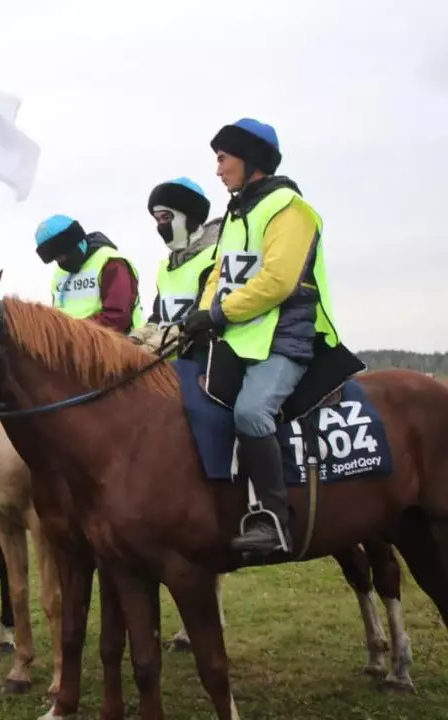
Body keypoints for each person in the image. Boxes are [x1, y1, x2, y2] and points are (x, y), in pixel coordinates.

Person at [183, 117, 344, 557]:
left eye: (222, 159)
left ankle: (275, 520)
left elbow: (278, 282)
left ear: (249, 159)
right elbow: (220, 272)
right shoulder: (238, 212)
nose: (217, 170)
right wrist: (201, 313)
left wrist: (216, 313)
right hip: (237, 340)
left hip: (285, 341)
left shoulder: (290, 208)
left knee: (252, 414)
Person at [131, 178, 221, 353]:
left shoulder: (216, 255)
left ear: (190, 216)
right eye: (157, 220)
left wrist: (146, 352)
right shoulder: (166, 265)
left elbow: (196, 320)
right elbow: (159, 317)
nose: (161, 226)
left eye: (166, 217)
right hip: (164, 361)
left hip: (198, 357)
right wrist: (135, 339)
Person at [34, 215, 145, 334]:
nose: (60, 261)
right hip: (75, 345)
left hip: (116, 344)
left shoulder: (111, 263)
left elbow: (117, 317)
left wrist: (71, 332)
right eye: (55, 259)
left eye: (62, 255)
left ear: (75, 242)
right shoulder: (61, 273)